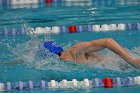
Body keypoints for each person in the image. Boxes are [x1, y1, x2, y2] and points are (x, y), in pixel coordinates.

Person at [1, 38, 140, 68]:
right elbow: (24, 60)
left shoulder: (75, 51)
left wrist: (130, 60)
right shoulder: (64, 60)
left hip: (126, 64)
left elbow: (107, 41)